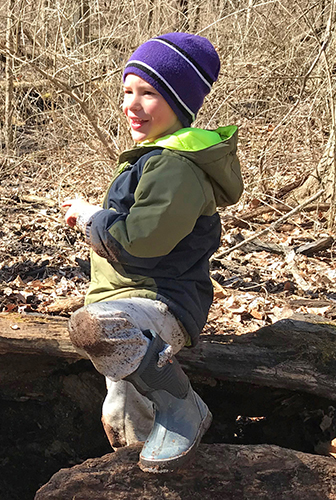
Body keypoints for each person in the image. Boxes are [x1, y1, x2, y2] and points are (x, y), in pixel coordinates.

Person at [61, 32, 243, 473]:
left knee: (100, 328)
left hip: (161, 302)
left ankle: (183, 408)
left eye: (149, 93)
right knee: (123, 411)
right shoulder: (153, 158)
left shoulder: (175, 166)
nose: (132, 104)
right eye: (127, 91)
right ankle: (134, 474)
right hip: (134, 298)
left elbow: (140, 245)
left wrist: (91, 219)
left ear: (180, 103)